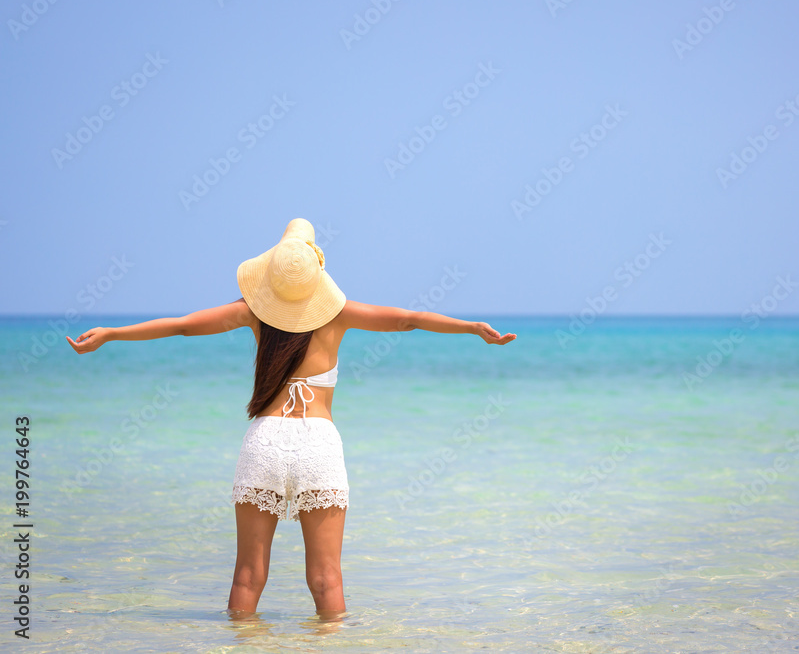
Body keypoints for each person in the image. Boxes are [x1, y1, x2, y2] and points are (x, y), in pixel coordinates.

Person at [66, 218, 516, 620]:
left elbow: (183, 325)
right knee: (327, 579)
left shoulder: (252, 312)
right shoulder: (340, 315)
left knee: (247, 577)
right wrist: (472, 328)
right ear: (317, 274)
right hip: (318, 443)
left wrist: (112, 333)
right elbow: (410, 320)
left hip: (265, 441)